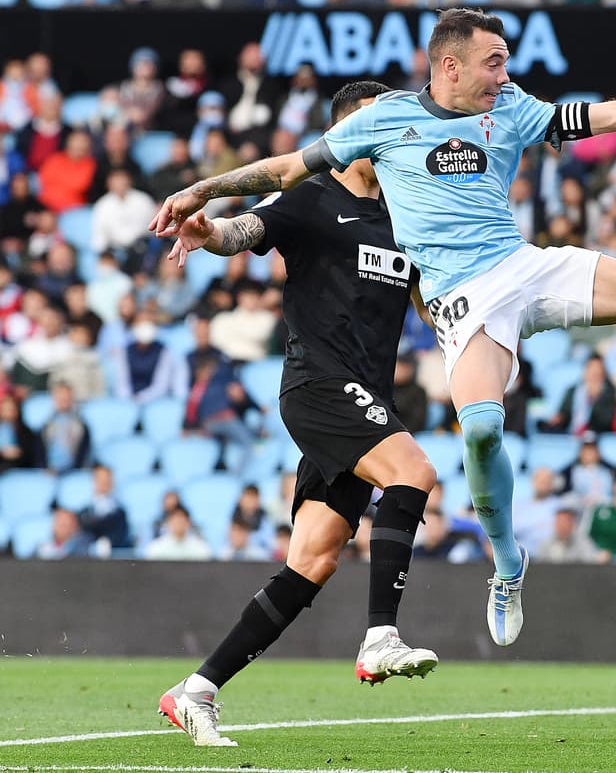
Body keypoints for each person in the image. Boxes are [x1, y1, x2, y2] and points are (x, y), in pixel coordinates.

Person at [153, 7, 616, 649]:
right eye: (492, 60)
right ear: (448, 68)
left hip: (525, 270)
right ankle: (508, 564)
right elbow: (285, 170)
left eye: (506, 59)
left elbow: (613, 114)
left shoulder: (511, 110)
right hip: (464, 304)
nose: (504, 71)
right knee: (481, 430)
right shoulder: (383, 120)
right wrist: (200, 189)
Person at [156, 83, 441, 747]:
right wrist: (211, 232)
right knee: (416, 470)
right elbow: (246, 230)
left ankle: (196, 689)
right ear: (344, 132)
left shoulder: (402, 216)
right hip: (318, 385)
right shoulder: (312, 197)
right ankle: (380, 636)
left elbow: (429, 304)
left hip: (363, 400)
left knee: (313, 560)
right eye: (377, 123)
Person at [540, 354, 616, 436]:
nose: (595, 374)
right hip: (570, 433)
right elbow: (564, 412)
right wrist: (559, 418)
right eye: (592, 370)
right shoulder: (573, 391)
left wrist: (595, 398)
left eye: (598, 371)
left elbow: (605, 420)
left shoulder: (610, 394)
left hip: (594, 435)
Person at [144, 505, 212, 561]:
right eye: (175, 520)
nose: (178, 524)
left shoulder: (201, 548)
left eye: (182, 520)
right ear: (167, 523)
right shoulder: (156, 548)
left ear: (189, 523)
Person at [535, 506, 602, 564]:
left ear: (572, 524)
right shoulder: (546, 544)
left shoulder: (583, 543)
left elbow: (591, 563)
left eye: (565, 521)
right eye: (559, 521)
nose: (562, 525)